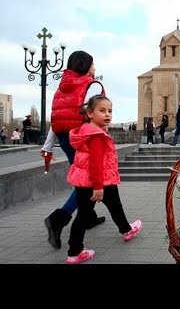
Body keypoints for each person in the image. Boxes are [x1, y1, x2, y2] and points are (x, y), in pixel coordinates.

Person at [65, 95, 142, 264]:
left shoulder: (85, 130)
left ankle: (73, 253)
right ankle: (125, 230)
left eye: (110, 111)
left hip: (85, 182)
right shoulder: (96, 136)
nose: (107, 114)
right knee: (113, 208)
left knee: (83, 215)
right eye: (102, 110)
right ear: (90, 113)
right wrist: (98, 187)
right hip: (100, 182)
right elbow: (96, 164)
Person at [42, 50, 106, 250]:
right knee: (87, 182)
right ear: (85, 66)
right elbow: (91, 112)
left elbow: (57, 120)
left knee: (83, 179)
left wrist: (48, 145)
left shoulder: (61, 89)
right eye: (93, 65)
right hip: (82, 138)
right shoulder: (91, 84)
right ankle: (59, 218)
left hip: (65, 138)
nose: (95, 69)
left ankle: (88, 217)